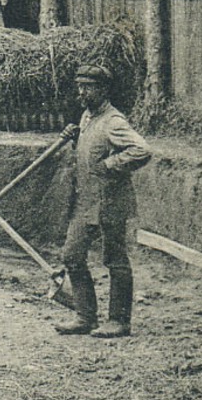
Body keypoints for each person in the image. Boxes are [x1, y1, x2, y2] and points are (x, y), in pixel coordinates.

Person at [55, 64, 152, 338]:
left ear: (103, 90)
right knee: (71, 256)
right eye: (79, 87)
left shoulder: (113, 121)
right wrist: (75, 137)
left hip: (111, 201)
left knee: (115, 259)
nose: (82, 93)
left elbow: (142, 150)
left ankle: (119, 321)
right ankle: (85, 317)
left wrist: (111, 164)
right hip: (86, 202)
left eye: (88, 87)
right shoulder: (88, 117)